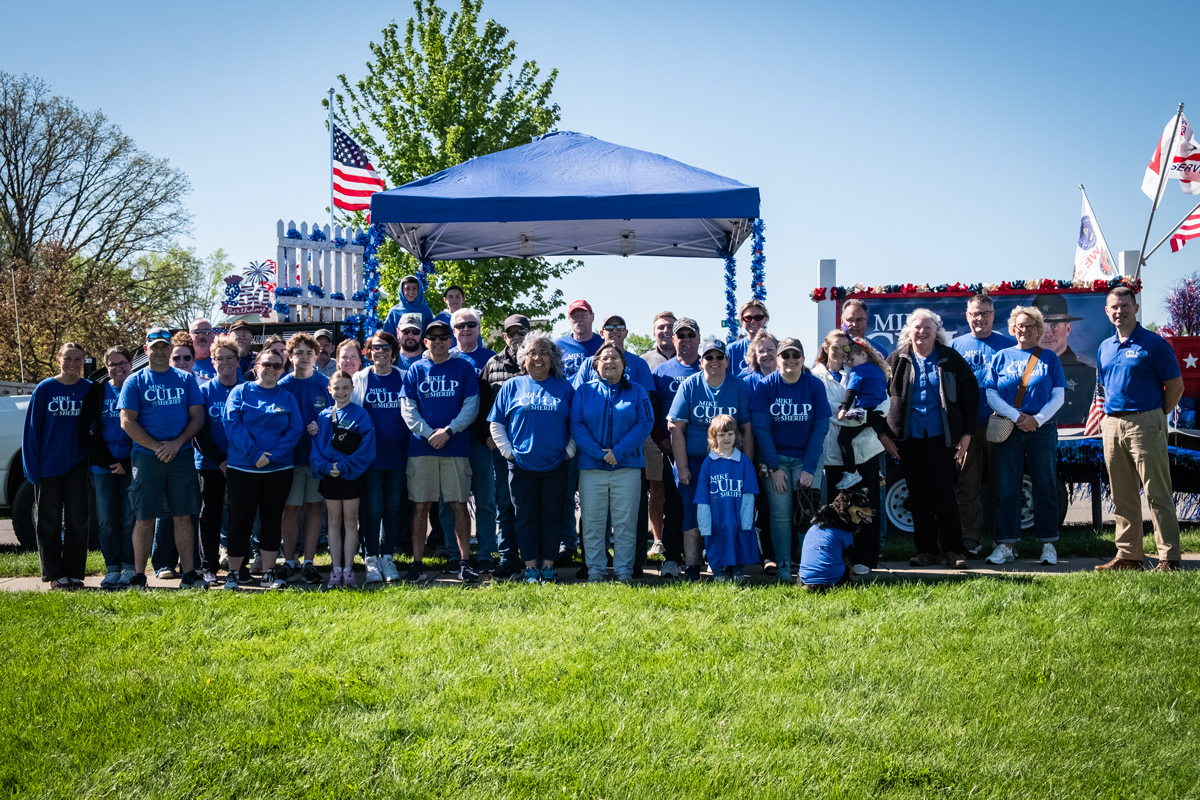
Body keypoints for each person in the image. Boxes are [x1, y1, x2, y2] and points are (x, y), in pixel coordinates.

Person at [1095, 286, 1184, 571]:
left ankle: (1169, 557)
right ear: (1107, 311)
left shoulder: (1154, 344)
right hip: (1112, 423)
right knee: (1122, 495)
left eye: (1125, 305)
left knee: (1157, 492)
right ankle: (1129, 556)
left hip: (1145, 421)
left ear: (1135, 308)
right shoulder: (1105, 347)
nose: (1119, 311)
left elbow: (1176, 387)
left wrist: (1156, 414)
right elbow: (1103, 387)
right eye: (1114, 307)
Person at [882, 309, 978, 569]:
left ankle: (954, 550)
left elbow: (971, 397)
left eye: (928, 327)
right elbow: (878, 398)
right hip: (908, 439)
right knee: (918, 495)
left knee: (944, 494)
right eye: (917, 327)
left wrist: (967, 434)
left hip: (942, 438)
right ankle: (926, 551)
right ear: (909, 330)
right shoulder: (896, 360)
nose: (922, 332)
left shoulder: (951, 359)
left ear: (937, 331)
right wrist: (884, 435)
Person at [571, 312, 656, 578]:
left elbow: (645, 423)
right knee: (593, 523)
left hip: (627, 466)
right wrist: (598, 453)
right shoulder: (584, 391)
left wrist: (618, 452)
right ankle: (595, 571)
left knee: (625, 523)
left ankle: (623, 571)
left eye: (615, 359)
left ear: (623, 365)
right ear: (596, 364)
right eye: (604, 359)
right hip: (591, 467)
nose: (610, 362)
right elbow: (576, 424)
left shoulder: (637, 391)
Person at [119, 327, 205, 589]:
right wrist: (157, 447)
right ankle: (138, 575)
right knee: (144, 518)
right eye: (154, 347)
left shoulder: (186, 380)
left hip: (181, 455)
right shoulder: (134, 381)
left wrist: (177, 444)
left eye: (164, 347)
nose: (159, 351)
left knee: (183, 515)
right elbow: (127, 421)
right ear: (146, 350)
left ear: (170, 349)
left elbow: (197, 417)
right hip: (147, 457)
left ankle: (189, 574)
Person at [488, 331, 576, 583]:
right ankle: (530, 568)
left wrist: (569, 450)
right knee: (524, 517)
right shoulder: (512, 386)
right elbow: (496, 422)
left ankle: (547, 567)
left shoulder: (565, 388)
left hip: (556, 465)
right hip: (520, 465)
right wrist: (507, 451)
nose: (538, 358)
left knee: (552, 516)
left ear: (552, 358)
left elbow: (576, 423)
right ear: (523, 359)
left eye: (544, 353)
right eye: (532, 353)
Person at [984, 306, 1065, 566]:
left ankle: (1048, 544)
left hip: (1042, 429)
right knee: (1007, 486)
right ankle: (1006, 544)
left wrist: (1036, 420)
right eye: (1020, 325)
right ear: (1013, 328)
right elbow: (991, 392)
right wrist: (1017, 417)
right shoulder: (1001, 357)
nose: (1025, 330)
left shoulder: (1050, 358)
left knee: (1045, 484)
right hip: (1009, 428)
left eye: (1030, 326)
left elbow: (1058, 395)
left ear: (1038, 329)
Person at [401, 318, 480, 583]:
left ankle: (464, 562)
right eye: (432, 338)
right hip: (421, 449)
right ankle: (417, 564)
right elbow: (408, 408)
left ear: (450, 340)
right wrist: (428, 433)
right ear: (425, 342)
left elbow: (471, 405)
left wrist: (449, 431)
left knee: (458, 505)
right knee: (420, 506)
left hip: (455, 447)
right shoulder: (416, 369)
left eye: (443, 337)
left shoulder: (463, 368)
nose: (437, 342)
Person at [668, 337, 754, 581]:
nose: (714, 361)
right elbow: (675, 428)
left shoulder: (739, 386)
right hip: (695, 463)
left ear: (727, 361)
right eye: (708, 357)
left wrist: (746, 467)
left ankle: (729, 564)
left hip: (731, 464)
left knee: (731, 515)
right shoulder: (689, 385)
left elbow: (748, 430)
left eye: (719, 357)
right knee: (694, 512)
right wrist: (682, 467)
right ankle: (693, 565)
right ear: (701, 361)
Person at [751, 337, 830, 582]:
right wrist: (774, 468)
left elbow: (820, 428)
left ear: (803, 359)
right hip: (774, 461)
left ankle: (808, 568)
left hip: (807, 459)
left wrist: (809, 469)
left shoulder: (814, 385)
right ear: (778, 359)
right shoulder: (766, 386)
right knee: (780, 514)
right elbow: (761, 430)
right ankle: (784, 566)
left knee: (808, 513)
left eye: (796, 355)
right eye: (785, 355)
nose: (791, 360)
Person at [223, 348, 303, 590]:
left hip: (278, 470)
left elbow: (295, 430)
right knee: (241, 520)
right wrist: (254, 454)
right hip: (243, 468)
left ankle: (269, 573)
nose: (271, 369)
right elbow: (232, 424)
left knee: (271, 520)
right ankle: (234, 574)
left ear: (282, 370)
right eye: (266, 364)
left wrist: (274, 456)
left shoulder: (287, 397)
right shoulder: (240, 392)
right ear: (256, 367)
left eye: (277, 366)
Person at [812, 330, 888, 575]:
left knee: (867, 505)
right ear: (826, 348)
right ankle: (843, 558)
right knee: (841, 509)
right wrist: (863, 414)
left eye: (846, 347)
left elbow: (884, 402)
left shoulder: (859, 369)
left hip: (866, 449)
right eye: (835, 347)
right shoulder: (815, 376)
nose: (841, 352)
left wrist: (865, 414)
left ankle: (866, 557)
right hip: (835, 453)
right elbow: (825, 409)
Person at [950, 294, 1016, 555]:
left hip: (1002, 425)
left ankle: (1006, 540)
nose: (980, 318)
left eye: (985, 313)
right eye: (975, 313)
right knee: (967, 484)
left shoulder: (1009, 346)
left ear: (993, 315)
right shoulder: (955, 347)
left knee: (1004, 484)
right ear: (967, 316)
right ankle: (970, 539)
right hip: (968, 428)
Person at [24, 342, 91, 590]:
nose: (73, 363)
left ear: (83, 361)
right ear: (58, 360)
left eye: (78, 359)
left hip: (78, 465)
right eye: (68, 358)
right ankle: (55, 575)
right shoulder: (45, 389)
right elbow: (32, 430)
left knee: (78, 521)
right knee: (48, 521)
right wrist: (32, 467)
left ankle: (74, 573)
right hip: (48, 466)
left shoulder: (89, 389)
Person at [442, 307, 499, 570]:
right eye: (460, 326)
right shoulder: (445, 357)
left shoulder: (491, 359)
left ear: (479, 328)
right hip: (451, 442)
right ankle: (454, 553)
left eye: (471, 325)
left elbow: (496, 401)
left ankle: (486, 552)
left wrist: (490, 434)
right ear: (453, 331)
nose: (466, 329)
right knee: (449, 502)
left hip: (481, 442)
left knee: (485, 501)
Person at [352, 331, 409, 584]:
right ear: (368, 352)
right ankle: (371, 558)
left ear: (393, 352)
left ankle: (387, 557)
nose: (381, 352)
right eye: (376, 347)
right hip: (370, 458)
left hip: (398, 455)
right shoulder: (360, 379)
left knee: (393, 509)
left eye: (386, 347)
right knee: (373, 509)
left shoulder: (404, 377)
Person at [312, 370, 377, 588]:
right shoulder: (323, 416)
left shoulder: (361, 415)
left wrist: (343, 466)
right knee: (333, 521)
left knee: (350, 521)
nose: (341, 392)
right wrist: (326, 467)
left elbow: (367, 449)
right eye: (337, 388)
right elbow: (317, 447)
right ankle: (336, 568)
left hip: (351, 475)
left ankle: (348, 569)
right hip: (330, 475)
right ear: (329, 390)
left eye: (345, 388)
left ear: (352, 389)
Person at [278, 332, 333, 584]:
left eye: (309, 353)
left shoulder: (325, 384)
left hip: (317, 459)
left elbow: (336, 418)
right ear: (290, 357)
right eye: (298, 352)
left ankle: (309, 561)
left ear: (316, 356)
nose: (304, 357)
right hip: (289, 459)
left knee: (314, 507)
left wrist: (322, 428)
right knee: (290, 508)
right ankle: (289, 561)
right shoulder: (282, 386)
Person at [78, 345, 135, 589]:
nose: (118, 368)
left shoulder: (137, 388)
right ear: (106, 367)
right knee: (107, 520)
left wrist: (126, 464)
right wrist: (108, 462)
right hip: (103, 467)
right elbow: (84, 430)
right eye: (112, 364)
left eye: (122, 363)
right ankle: (112, 569)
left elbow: (146, 427)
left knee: (129, 520)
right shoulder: (97, 390)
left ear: (130, 364)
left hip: (132, 465)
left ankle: (130, 568)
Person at [650, 317, 702, 577]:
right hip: (671, 451)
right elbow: (652, 411)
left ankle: (707, 554)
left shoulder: (710, 365)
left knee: (707, 504)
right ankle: (672, 556)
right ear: (674, 339)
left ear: (699, 338)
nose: (686, 340)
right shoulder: (661, 372)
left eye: (691, 335)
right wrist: (661, 440)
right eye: (681, 335)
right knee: (674, 504)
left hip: (706, 452)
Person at [480, 314, 530, 578]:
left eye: (521, 332)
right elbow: (482, 404)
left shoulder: (539, 360)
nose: (516, 338)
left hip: (533, 445)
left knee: (530, 503)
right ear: (504, 337)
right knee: (504, 501)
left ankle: (531, 556)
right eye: (511, 333)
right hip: (502, 447)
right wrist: (486, 437)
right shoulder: (492, 364)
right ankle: (508, 556)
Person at [194, 334, 243, 586]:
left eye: (229, 358)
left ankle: (239, 566)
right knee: (210, 515)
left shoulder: (247, 390)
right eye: (219, 358)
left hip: (241, 464)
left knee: (239, 515)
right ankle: (209, 567)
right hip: (210, 464)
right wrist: (221, 460)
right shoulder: (203, 392)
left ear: (238, 361)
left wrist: (233, 459)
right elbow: (198, 433)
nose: (224, 363)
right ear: (212, 362)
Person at [556, 299, 603, 561]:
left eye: (583, 315)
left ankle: (594, 545)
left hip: (597, 428)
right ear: (569, 319)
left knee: (595, 491)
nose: (579, 319)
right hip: (567, 427)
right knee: (566, 489)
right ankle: (567, 542)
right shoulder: (558, 346)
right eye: (574, 315)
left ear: (592, 317)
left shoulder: (603, 345)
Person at [695, 414, 759, 583]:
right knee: (716, 540)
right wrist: (705, 522)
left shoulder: (744, 462)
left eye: (730, 434)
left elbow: (749, 493)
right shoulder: (709, 462)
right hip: (717, 515)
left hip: (737, 514)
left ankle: (737, 569)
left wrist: (746, 519)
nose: (726, 438)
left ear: (736, 435)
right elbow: (702, 496)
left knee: (739, 539)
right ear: (713, 437)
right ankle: (718, 570)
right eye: (722, 435)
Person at [641, 311, 676, 556]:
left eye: (670, 327)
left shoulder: (693, 359)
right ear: (653, 332)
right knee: (657, 488)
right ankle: (658, 540)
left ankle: (683, 539)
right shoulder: (644, 361)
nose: (666, 331)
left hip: (684, 436)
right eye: (661, 327)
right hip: (653, 435)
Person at [833, 338, 889, 490]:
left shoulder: (859, 370)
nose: (850, 364)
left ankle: (851, 473)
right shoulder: (878, 370)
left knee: (844, 438)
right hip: (879, 413)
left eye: (852, 359)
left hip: (865, 412)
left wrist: (844, 408)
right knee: (865, 437)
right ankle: (877, 472)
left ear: (863, 355)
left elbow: (851, 391)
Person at [1033, 293, 1095, 426]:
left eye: (1054, 325)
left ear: (1068, 328)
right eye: (1041, 326)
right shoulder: (1020, 370)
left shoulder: (1088, 375)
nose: (1048, 333)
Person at [798, 489, 873, 591]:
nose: (869, 509)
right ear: (846, 505)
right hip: (832, 582)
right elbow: (847, 560)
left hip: (805, 580)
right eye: (861, 505)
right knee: (846, 558)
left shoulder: (815, 527)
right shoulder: (841, 531)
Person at [728, 300, 770, 375]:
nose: (753, 321)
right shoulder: (732, 350)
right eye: (748, 318)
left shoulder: (776, 347)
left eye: (758, 317)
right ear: (742, 321)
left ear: (765, 319)